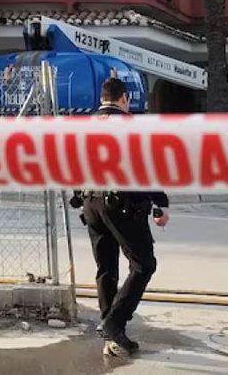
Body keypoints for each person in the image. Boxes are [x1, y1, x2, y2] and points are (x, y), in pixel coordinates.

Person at [73, 75, 168, 358]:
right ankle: (114, 323)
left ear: (102, 99)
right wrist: (160, 203)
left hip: (90, 202)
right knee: (144, 264)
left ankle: (111, 334)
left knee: (106, 269)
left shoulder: (86, 126)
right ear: (124, 99)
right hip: (121, 203)